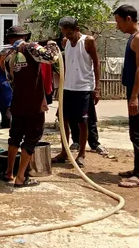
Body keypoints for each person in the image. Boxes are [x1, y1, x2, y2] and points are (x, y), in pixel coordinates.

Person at [2, 26, 60, 188]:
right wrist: (52, 44)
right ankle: (21, 177)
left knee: (14, 137)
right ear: (25, 37)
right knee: (31, 139)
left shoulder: (8, 56)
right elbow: (50, 58)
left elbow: (10, 80)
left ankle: (9, 172)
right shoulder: (32, 48)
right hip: (34, 104)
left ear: (9, 39)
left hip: (18, 103)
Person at [51, 17, 101, 168]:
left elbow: (97, 64)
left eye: (70, 33)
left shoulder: (88, 41)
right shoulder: (65, 43)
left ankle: (81, 154)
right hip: (67, 87)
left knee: (83, 122)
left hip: (84, 88)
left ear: (77, 30)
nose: (67, 36)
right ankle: (64, 152)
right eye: (64, 33)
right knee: (63, 119)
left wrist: (97, 88)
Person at [114, 4, 139, 188]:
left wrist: (135, 97)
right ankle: (138, 169)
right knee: (134, 130)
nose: (117, 26)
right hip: (134, 90)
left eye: (119, 22)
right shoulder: (133, 38)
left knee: (137, 131)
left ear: (128, 19)